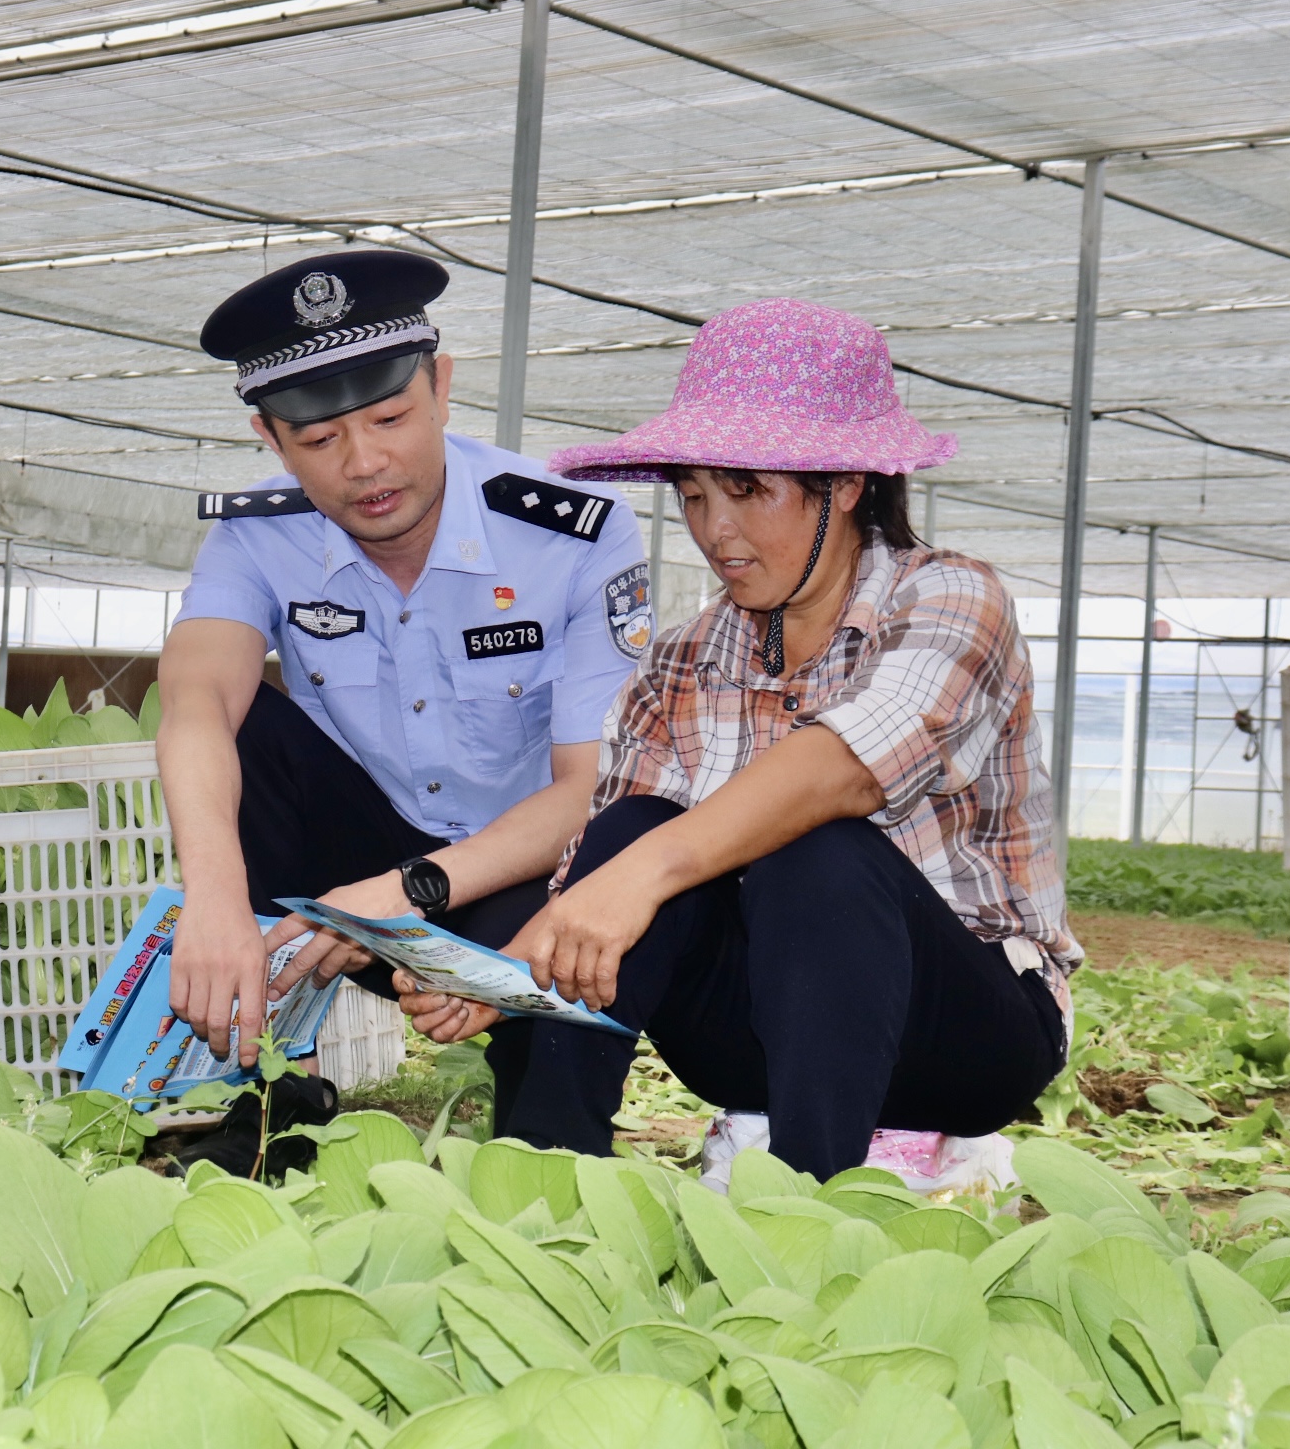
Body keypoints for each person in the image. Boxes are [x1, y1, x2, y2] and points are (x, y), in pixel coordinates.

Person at [399, 298, 1078, 1181]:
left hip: (964, 1038)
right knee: (628, 827)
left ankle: (797, 1206)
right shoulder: (685, 656)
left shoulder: (950, 600)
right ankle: (543, 1182)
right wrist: (510, 972)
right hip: (762, 1038)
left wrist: (637, 879)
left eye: (748, 490)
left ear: (844, 486)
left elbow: (842, 769)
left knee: (816, 847)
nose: (715, 529)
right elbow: (602, 863)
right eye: (693, 495)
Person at [157, 248, 650, 1068]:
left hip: (517, 867)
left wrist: (400, 895)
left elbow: (588, 791)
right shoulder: (255, 535)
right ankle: (264, 1099)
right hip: (352, 859)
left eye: (390, 420)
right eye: (319, 437)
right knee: (240, 727)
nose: (363, 464)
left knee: (557, 994)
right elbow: (196, 697)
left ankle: (549, 1156)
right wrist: (213, 894)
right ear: (270, 439)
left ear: (442, 387)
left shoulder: (572, 534)